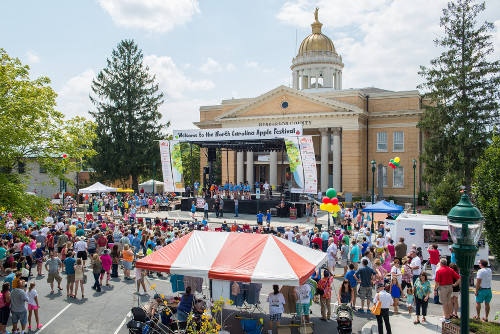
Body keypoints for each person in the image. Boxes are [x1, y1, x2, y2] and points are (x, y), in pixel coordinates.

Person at [434, 258, 460, 323]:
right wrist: (455, 284)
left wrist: (435, 289)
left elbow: (437, 282)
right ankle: (447, 316)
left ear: (441, 263)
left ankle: (446, 318)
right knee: (448, 302)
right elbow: (459, 277)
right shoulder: (450, 270)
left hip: (443, 287)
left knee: (444, 303)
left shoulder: (439, 271)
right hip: (450, 287)